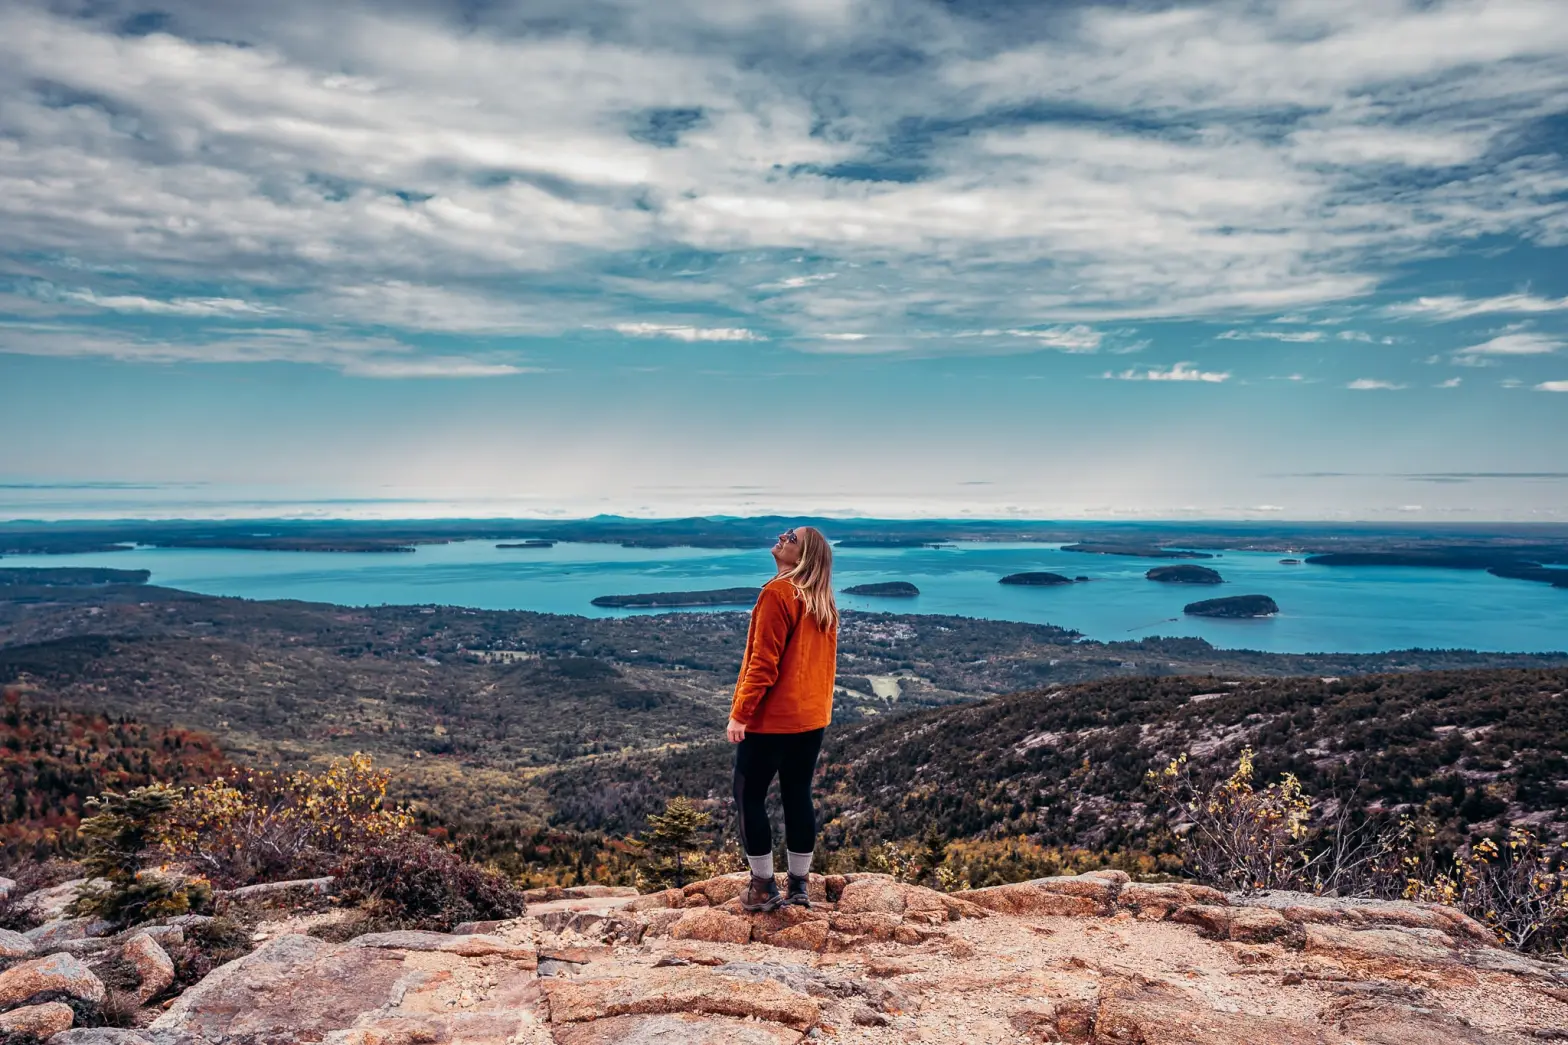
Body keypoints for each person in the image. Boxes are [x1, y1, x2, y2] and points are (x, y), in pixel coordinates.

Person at [726, 525, 839, 912]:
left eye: (791, 537)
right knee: (797, 794)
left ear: (804, 555)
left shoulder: (778, 593)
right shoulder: (821, 600)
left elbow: (763, 664)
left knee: (748, 795)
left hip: (772, 720)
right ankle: (800, 886)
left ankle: (762, 887)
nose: (781, 537)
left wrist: (741, 714)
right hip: (811, 720)